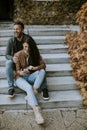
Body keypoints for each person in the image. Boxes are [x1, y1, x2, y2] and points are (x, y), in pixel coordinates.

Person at [5, 21, 49, 100]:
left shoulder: (28, 39)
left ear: (22, 30)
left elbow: (35, 51)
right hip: (17, 61)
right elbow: (6, 55)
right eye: (14, 29)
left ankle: (44, 88)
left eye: (17, 29)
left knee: (41, 67)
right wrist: (12, 58)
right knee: (8, 63)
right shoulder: (11, 41)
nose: (15, 31)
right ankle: (11, 87)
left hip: (29, 61)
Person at [14, 38, 47, 124]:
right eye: (25, 46)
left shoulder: (35, 53)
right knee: (28, 87)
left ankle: (35, 90)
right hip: (20, 78)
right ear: (22, 46)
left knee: (42, 71)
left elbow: (43, 65)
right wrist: (21, 72)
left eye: (29, 47)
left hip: (30, 76)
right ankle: (37, 112)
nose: (27, 49)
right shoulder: (18, 54)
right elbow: (17, 71)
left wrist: (35, 68)